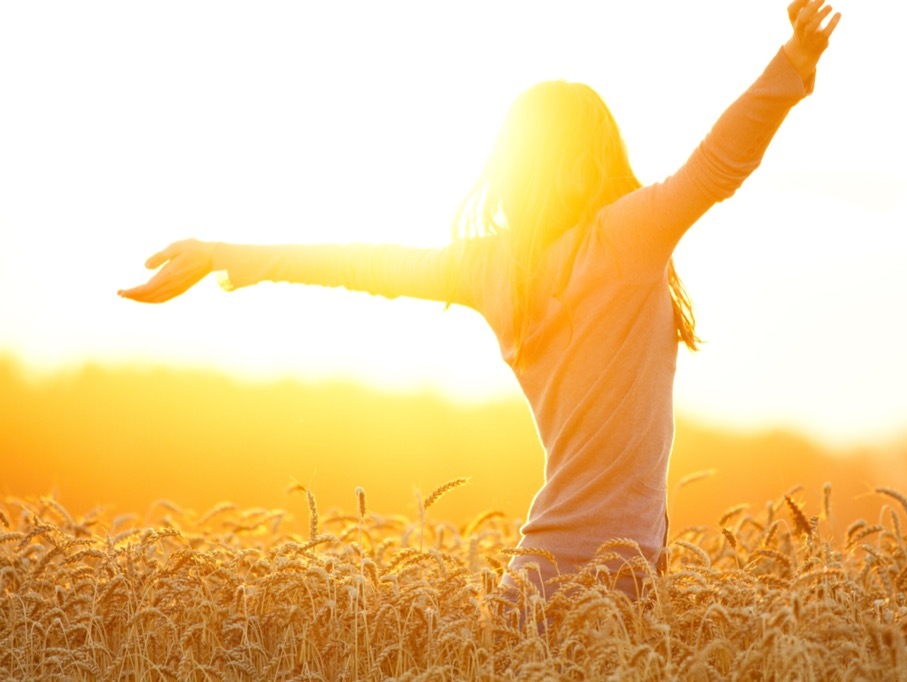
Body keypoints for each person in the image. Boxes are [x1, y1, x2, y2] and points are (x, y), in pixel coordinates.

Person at [120, 0, 840, 599]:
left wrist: (223, 255)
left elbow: (361, 264)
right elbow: (716, 164)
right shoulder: (624, 240)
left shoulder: (494, 269)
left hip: (529, 582)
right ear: (600, 155)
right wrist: (792, 66)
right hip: (608, 585)